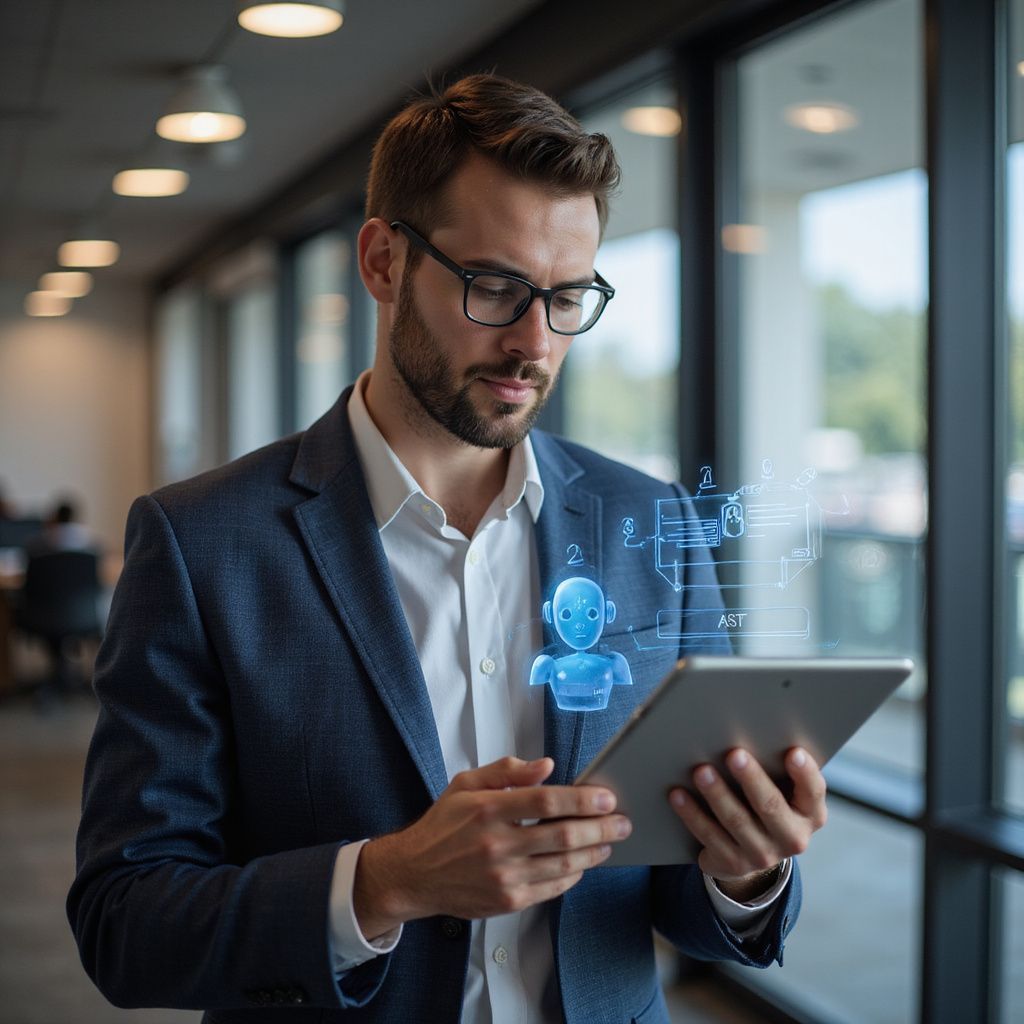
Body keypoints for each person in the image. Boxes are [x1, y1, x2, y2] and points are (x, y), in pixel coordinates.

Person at [68, 74, 827, 1023]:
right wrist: (384, 882)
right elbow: (124, 923)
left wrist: (745, 869)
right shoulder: (201, 544)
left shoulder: (647, 520)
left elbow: (680, 898)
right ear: (384, 262)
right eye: (497, 288)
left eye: (567, 297)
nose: (534, 344)